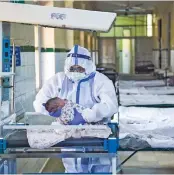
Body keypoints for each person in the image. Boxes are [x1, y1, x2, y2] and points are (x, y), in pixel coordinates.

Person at [33, 45, 118, 173]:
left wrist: (87, 115)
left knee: (101, 167)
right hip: (69, 136)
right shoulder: (58, 80)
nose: (76, 71)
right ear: (67, 66)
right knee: (73, 168)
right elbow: (40, 102)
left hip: (96, 135)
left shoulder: (100, 81)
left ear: (88, 66)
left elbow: (110, 105)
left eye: (80, 68)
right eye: (72, 68)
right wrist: (57, 111)